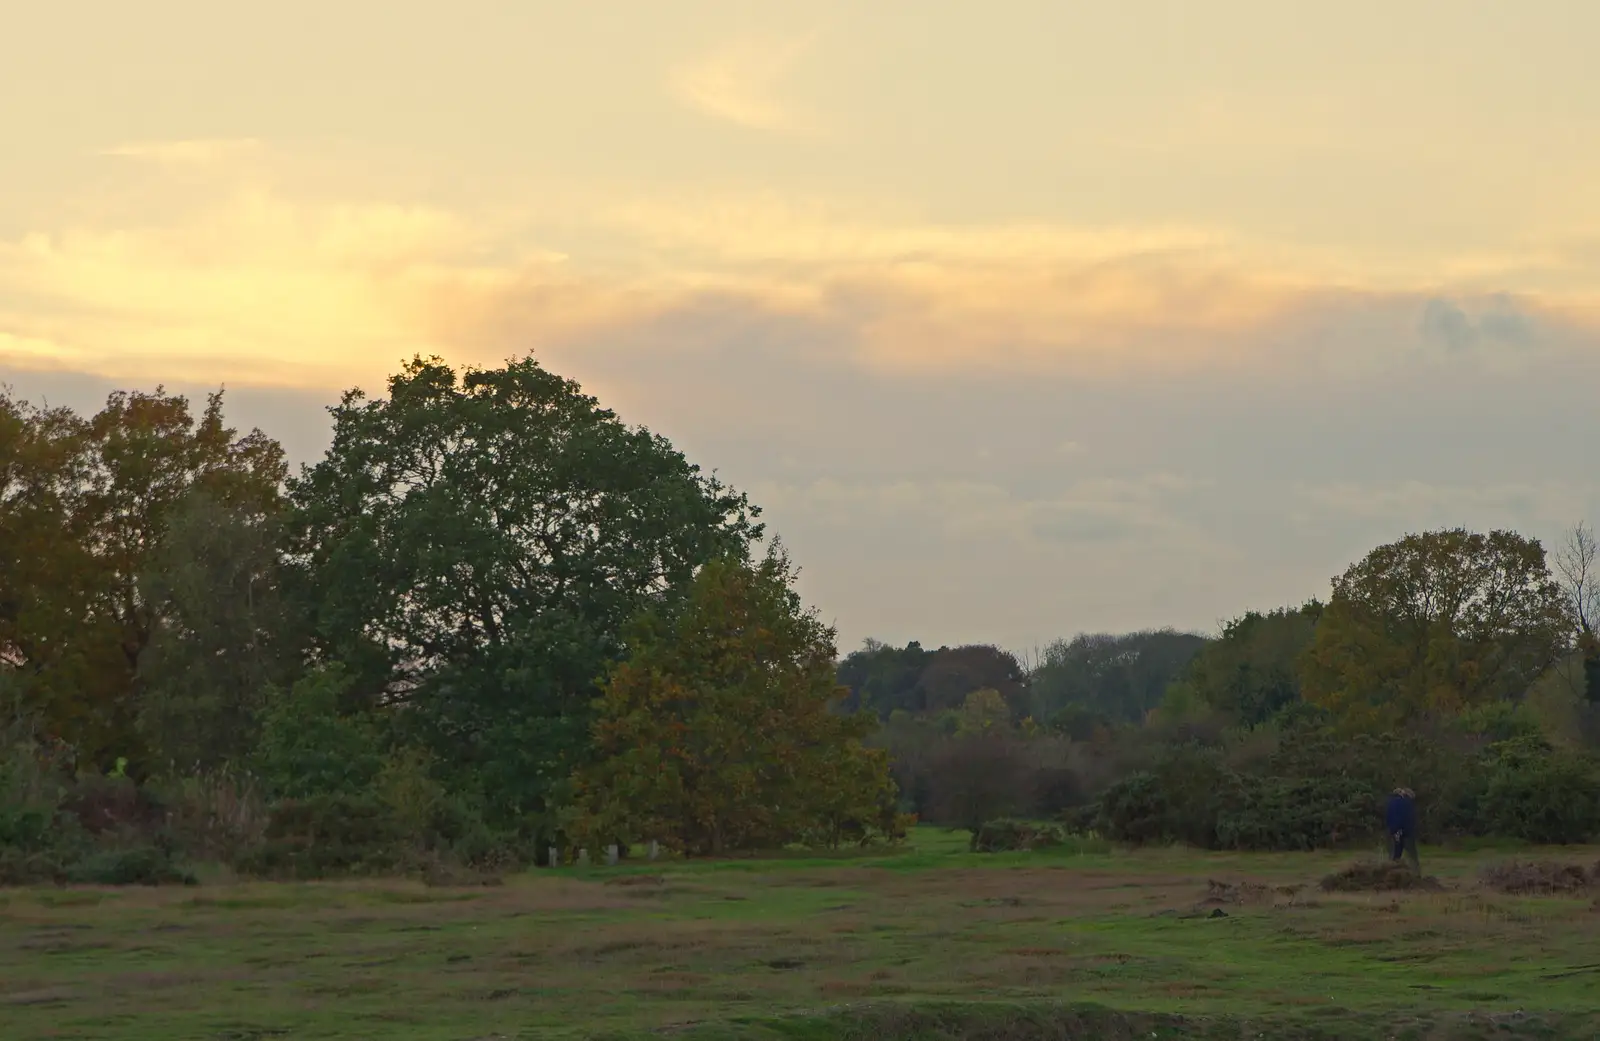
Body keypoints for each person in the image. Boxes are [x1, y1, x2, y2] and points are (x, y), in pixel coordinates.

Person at [1385, 786, 1420, 872]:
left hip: (1394, 831)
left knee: (1395, 856)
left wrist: (1394, 830)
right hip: (1405, 832)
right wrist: (1400, 830)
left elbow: (1389, 818)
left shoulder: (1390, 803)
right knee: (1412, 856)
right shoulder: (1406, 803)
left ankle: (1390, 873)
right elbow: (1406, 818)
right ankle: (1415, 874)